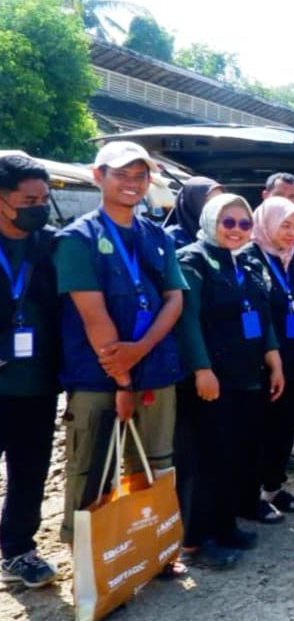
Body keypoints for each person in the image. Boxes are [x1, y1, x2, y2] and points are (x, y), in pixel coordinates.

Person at [55, 141, 186, 555]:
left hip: (156, 369)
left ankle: (153, 551)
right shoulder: (77, 239)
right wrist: (124, 381)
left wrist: (142, 347)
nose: (132, 183)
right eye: (121, 175)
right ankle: (89, 562)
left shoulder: (156, 235)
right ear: (99, 177)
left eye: (139, 176)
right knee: (93, 470)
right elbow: (94, 316)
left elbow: (175, 298)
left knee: (156, 464)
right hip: (100, 376)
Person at [174, 193, 285, 569]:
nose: (237, 230)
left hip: (246, 375)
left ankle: (224, 526)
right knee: (204, 459)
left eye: (244, 223)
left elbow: (262, 315)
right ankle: (195, 540)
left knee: (233, 455)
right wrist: (201, 369)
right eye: (228, 222)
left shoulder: (246, 261)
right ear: (210, 221)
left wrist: (274, 358)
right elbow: (187, 320)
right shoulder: (192, 260)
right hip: (210, 379)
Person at [0, 155, 61, 589]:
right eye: (28, 201)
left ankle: (18, 549)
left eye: (44, 199)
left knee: (30, 471)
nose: (38, 207)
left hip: (38, 384)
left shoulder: (52, 245)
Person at [250, 197, 294, 519]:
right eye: (285, 226)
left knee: (285, 423)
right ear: (267, 224)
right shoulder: (251, 257)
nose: (292, 233)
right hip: (264, 356)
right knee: (261, 425)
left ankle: (274, 486)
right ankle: (252, 493)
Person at [166, 177, 223, 249]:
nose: (216, 206)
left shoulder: (224, 235)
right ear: (192, 202)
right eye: (209, 201)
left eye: (219, 201)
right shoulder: (170, 238)